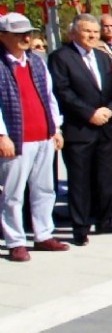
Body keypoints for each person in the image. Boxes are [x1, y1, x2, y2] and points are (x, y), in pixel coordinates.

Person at [49, 13, 112, 247]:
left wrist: (110, 109)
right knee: (80, 181)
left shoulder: (103, 57)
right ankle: (80, 227)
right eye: (87, 31)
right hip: (79, 129)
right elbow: (63, 91)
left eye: (95, 32)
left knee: (105, 178)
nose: (92, 36)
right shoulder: (61, 58)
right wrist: (89, 113)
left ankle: (106, 220)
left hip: (105, 127)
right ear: (73, 33)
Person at [0, 13, 67, 262]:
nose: (25, 38)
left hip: (43, 135)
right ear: (3, 36)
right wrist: (1, 135)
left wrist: (56, 128)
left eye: (28, 33)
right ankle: (15, 240)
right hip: (17, 137)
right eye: (18, 34)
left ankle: (43, 234)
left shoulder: (37, 61)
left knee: (45, 189)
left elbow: (49, 97)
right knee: (13, 193)